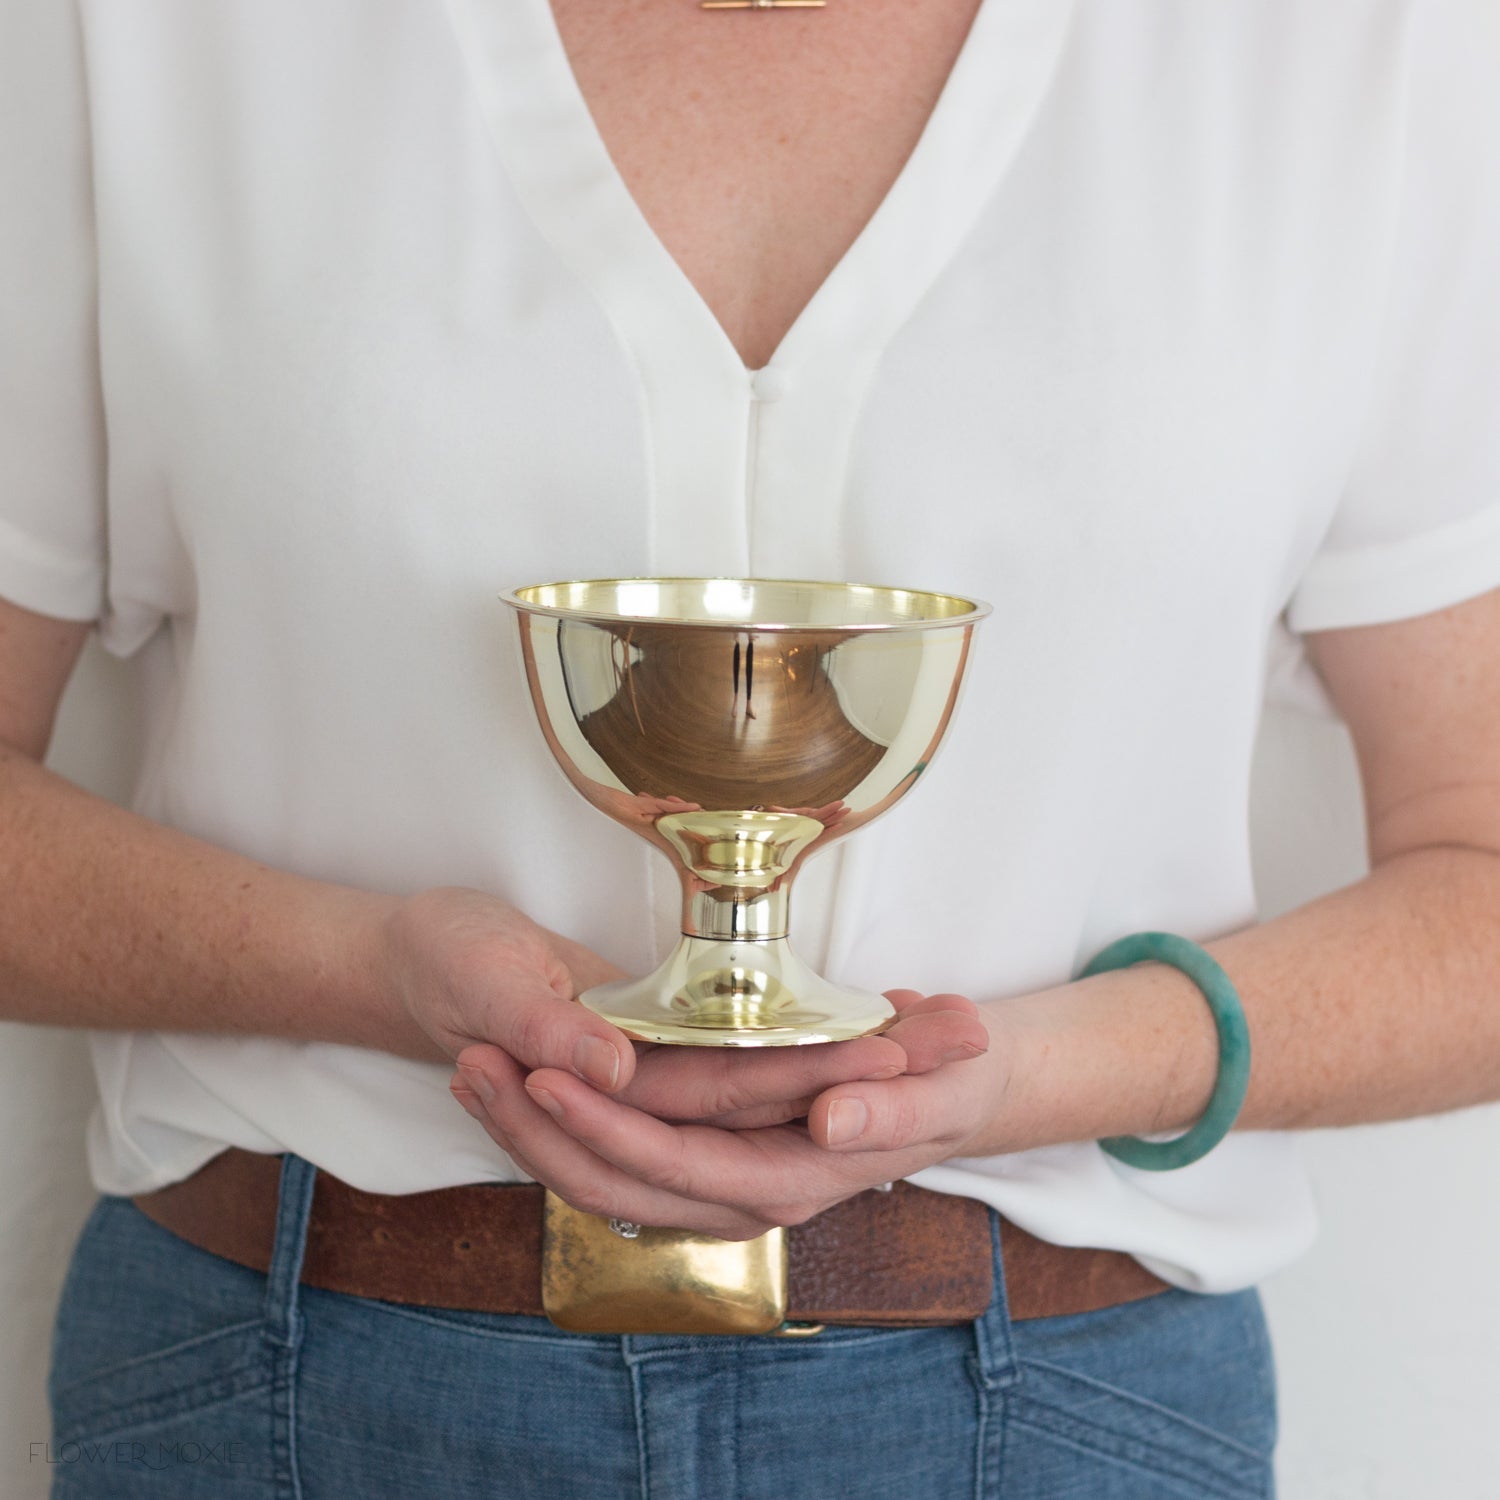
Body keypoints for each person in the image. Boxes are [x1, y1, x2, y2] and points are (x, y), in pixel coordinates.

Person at [4, 0, 1498, 1495]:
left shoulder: (1347, 48)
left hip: (1061, 1397)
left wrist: (1033, 1073)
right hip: (295, 1375)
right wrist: (371, 969)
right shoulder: (151, 36)